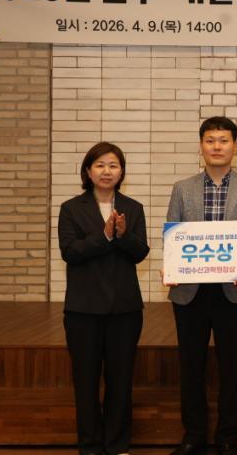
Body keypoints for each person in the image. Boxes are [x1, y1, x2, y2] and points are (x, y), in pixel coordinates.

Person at [166, 116, 237, 455]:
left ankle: (227, 436)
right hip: (189, 290)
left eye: (223, 140)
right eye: (210, 141)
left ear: (235, 146)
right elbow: (173, 234)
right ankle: (193, 435)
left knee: (231, 365)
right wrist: (173, 263)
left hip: (231, 289)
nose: (217, 146)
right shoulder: (182, 188)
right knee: (191, 365)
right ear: (201, 146)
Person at [59, 142, 150, 455]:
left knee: (120, 382)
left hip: (124, 310)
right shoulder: (71, 208)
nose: (106, 171)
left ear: (121, 171)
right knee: (85, 383)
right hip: (83, 310)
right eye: (99, 165)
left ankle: (117, 445)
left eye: (113, 165)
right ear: (88, 171)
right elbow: (70, 252)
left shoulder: (133, 208)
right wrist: (106, 235)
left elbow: (140, 253)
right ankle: (89, 446)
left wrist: (123, 235)